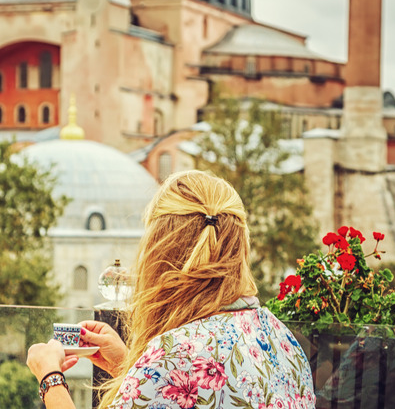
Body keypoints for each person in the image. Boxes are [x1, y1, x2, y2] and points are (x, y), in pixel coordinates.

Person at [27, 170, 316, 408]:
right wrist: (130, 365)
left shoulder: (172, 358)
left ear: (160, 250)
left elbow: (179, 379)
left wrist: (50, 379)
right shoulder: (280, 337)